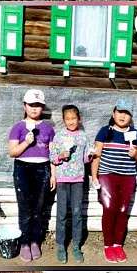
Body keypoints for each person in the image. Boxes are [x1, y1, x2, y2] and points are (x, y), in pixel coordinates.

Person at [91, 99, 137, 263]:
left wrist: (135, 154)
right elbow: (96, 155)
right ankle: (108, 245)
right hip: (107, 175)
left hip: (127, 176)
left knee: (122, 210)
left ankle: (117, 244)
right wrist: (94, 177)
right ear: (113, 113)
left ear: (131, 116)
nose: (123, 116)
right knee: (109, 208)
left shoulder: (135, 134)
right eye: (120, 112)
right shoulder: (104, 131)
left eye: (127, 113)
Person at [8, 89, 56, 262]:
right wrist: (26, 143)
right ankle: (25, 243)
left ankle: (36, 241)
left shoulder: (48, 128)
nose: (35, 109)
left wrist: (53, 174)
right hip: (23, 169)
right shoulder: (18, 127)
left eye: (38, 105)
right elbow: (13, 152)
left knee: (39, 208)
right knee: (25, 208)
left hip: (43, 168)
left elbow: (53, 153)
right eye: (31, 105)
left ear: (42, 107)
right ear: (25, 106)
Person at [49, 103, 91, 264]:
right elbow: (52, 157)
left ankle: (76, 246)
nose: (71, 121)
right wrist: (60, 156)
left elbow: (85, 158)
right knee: (61, 214)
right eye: (68, 119)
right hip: (62, 180)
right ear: (63, 120)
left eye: (74, 118)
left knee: (77, 213)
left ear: (79, 119)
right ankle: (61, 245)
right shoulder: (59, 136)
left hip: (78, 180)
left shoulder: (83, 136)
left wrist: (92, 155)